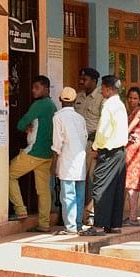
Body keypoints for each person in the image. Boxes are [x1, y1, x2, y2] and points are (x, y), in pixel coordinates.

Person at [79, 75, 128, 236]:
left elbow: (103, 131)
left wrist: (95, 147)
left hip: (108, 151)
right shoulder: (120, 105)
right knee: (116, 189)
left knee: (100, 188)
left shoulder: (108, 106)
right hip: (120, 152)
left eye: (103, 88)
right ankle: (114, 225)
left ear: (108, 89)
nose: (101, 91)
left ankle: (99, 225)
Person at [8, 75, 57, 232]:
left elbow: (21, 123)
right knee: (43, 190)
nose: (33, 90)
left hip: (34, 152)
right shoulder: (52, 105)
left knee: (9, 175)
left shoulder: (39, 104)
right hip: (47, 153)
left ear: (46, 88)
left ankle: (20, 210)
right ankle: (44, 223)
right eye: (33, 87)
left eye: (37, 87)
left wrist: (25, 126)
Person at [50, 87, 87, 235]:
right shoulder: (80, 118)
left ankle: (70, 226)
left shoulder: (58, 117)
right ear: (74, 101)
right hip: (80, 160)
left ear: (60, 100)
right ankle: (77, 225)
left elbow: (57, 144)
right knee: (79, 195)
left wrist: (53, 164)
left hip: (66, 160)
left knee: (67, 195)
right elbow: (84, 139)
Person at [74, 67, 103, 226]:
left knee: (95, 179)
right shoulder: (78, 97)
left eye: (84, 79)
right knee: (79, 178)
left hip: (93, 144)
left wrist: (98, 146)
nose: (81, 82)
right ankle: (78, 214)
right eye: (81, 79)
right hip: (78, 144)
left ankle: (91, 213)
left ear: (93, 81)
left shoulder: (100, 98)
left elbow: (105, 123)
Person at [123, 87, 140, 226]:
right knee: (129, 184)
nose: (132, 100)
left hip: (135, 152)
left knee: (132, 184)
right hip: (129, 150)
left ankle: (132, 217)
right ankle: (131, 216)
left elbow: (127, 129)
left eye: (135, 98)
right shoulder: (130, 112)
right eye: (130, 97)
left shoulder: (139, 112)